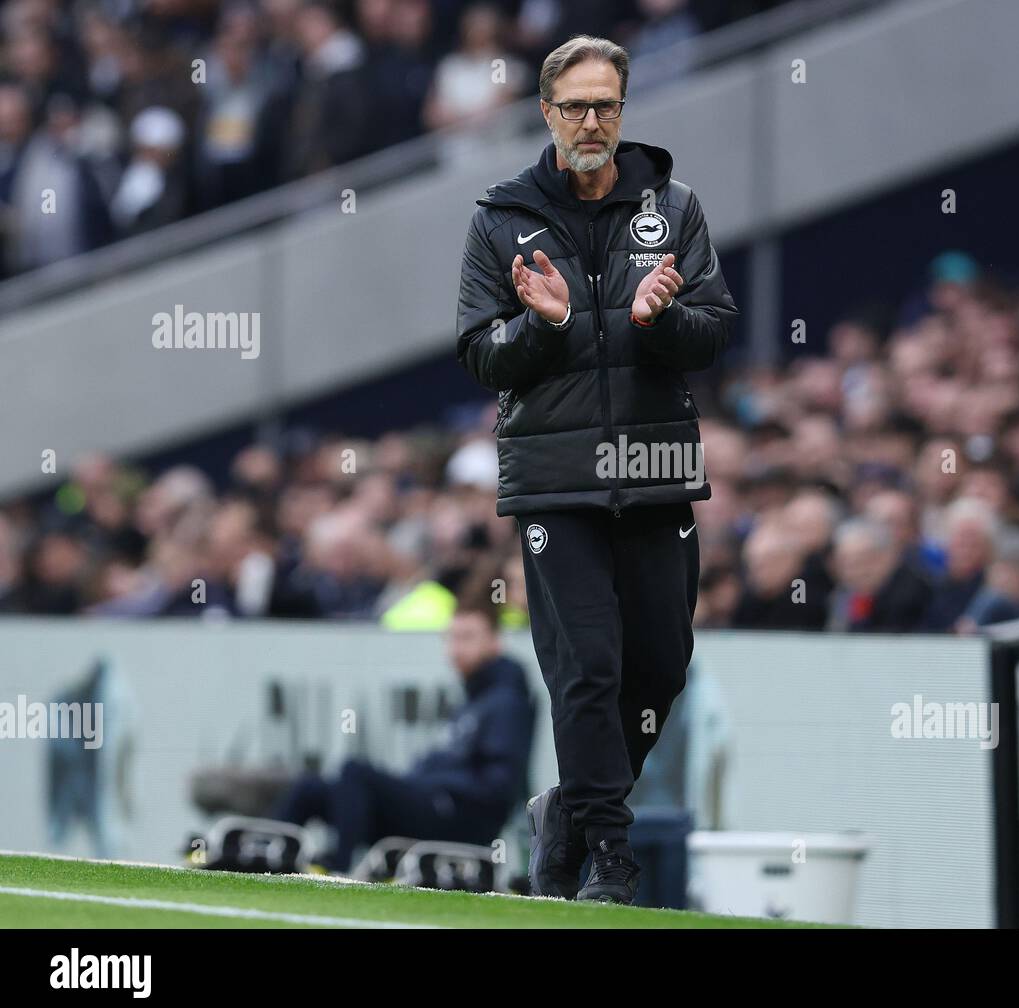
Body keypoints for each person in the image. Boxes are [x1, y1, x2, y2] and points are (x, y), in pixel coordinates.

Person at [456, 35, 738, 903]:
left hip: (655, 471)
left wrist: (661, 319)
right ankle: (610, 858)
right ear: (545, 112)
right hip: (557, 480)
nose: (590, 121)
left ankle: (568, 812)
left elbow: (716, 328)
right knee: (589, 670)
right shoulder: (499, 217)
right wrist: (540, 326)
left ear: (623, 110)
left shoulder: (674, 205)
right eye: (574, 105)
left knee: (660, 667)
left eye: (605, 105)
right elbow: (478, 353)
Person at [272, 602, 534, 872]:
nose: (456, 648)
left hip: (459, 818)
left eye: (467, 637)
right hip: (433, 804)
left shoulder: (507, 702)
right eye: (451, 638)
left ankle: (338, 868)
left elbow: (498, 787)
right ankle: (267, 859)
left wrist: (433, 783)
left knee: (355, 772)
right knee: (309, 788)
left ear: (495, 642)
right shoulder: (474, 698)